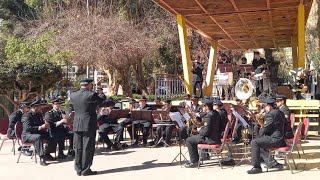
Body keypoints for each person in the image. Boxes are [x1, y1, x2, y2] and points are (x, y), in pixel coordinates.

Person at [70, 78, 104, 176]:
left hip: (77, 123)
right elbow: (102, 101)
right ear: (89, 85)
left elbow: (72, 107)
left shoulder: (73, 94)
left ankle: (78, 169)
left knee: (78, 147)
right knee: (87, 147)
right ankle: (85, 170)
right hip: (88, 123)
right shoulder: (91, 94)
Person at [247, 97, 285, 174]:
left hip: (275, 139)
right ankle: (271, 162)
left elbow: (265, 129)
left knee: (254, 142)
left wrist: (259, 134)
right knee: (257, 142)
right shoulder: (279, 112)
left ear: (269, 106)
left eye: (265, 106)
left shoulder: (271, 114)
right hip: (280, 137)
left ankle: (257, 167)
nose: (264, 108)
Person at [185, 98, 221, 168]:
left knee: (189, 140)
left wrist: (199, 130)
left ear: (206, 107)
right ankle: (200, 157)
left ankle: (194, 161)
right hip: (215, 137)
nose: (202, 107)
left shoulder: (208, 116)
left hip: (210, 139)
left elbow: (205, 132)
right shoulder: (216, 113)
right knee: (193, 137)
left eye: (203, 106)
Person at [21, 100, 55, 166]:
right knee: (38, 137)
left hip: (37, 133)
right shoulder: (26, 116)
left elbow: (42, 123)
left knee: (51, 135)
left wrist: (46, 124)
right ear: (35, 107)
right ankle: (42, 158)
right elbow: (27, 128)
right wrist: (41, 127)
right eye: (39, 107)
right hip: (27, 135)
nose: (41, 108)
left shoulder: (39, 114)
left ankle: (47, 153)